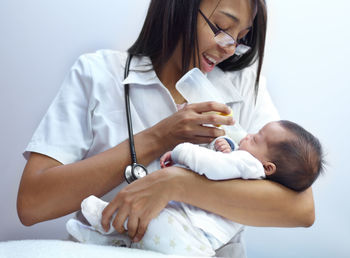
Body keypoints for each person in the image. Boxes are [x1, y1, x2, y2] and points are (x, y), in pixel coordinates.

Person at [17, 1, 316, 257]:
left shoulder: (244, 87)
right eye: (222, 27)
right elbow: (32, 204)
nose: (229, 48)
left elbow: (300, 209)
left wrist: (175, 183)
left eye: (241, 37)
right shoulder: (98, 74)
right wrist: (159, 137)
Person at [65, 120, 324, 256]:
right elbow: (228, 162)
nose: (248, 135)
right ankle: (101, 240)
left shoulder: (248, 164)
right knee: (140, 236)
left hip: (185, 231)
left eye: (256, 138)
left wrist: (181, 152)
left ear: (268, 167)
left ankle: (104, 219)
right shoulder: (257, 174)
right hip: (195, 245)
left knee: (147, 220)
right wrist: (227, 145)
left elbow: (212, 167)